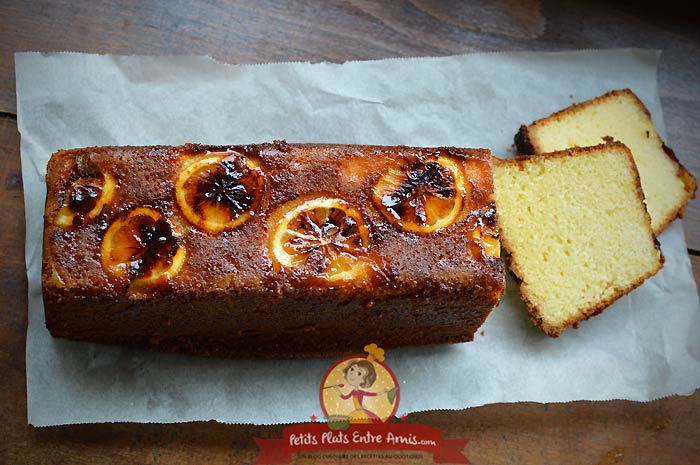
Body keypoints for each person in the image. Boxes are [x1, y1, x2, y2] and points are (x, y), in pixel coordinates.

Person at [332, 359, 389, 424]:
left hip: (361, 412)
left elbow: (372, 394)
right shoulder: (353, 391)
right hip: (356, 412)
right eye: (352, 369)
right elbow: (345, 397)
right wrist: (337, 390)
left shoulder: (361, 392)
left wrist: (382, 392)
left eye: (359, 373)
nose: (352, 373)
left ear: (364, 381)